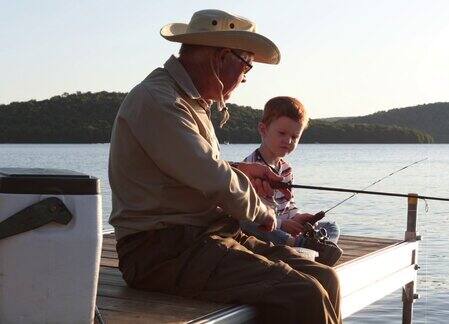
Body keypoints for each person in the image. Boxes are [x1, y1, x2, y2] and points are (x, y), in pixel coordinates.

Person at [108, 9, 341, 324]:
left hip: (204, 238)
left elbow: (195, 167)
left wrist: (244, 172)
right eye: (246, 64)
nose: (246, 76)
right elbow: (214, 177)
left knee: (326, 278)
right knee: (303, 294)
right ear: (221, 58)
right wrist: (266, 214)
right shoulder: (161, 101)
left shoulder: (187, 100)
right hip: (161, 251)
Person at [240, 96, 342, 265]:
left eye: (295, 137)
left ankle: (305, 249)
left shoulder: (286, 168)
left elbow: (289, 205)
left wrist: (299, 217)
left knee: (331, 226)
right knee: (253, 225)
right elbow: (251, 212)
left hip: (287, 231)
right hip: (269, 228)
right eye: (282, 133)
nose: (288, 141)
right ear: (263, 130)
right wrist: (282, 224)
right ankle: (305, 249)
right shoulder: (251, 167)